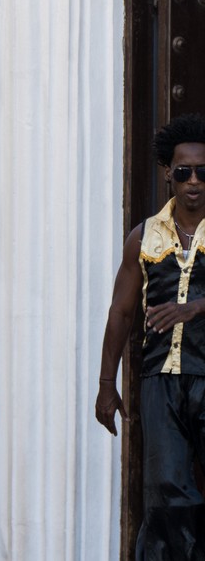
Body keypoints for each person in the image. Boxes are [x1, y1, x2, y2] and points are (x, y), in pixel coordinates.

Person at [95, 113, 205, 560]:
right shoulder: (143, 236)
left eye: (203, 172)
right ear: (168, 174)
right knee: (167, 496)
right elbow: (121, 311)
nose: (194, 181)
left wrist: (195, 307)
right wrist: (106, 384)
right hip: (159, 381)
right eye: (184, 172)